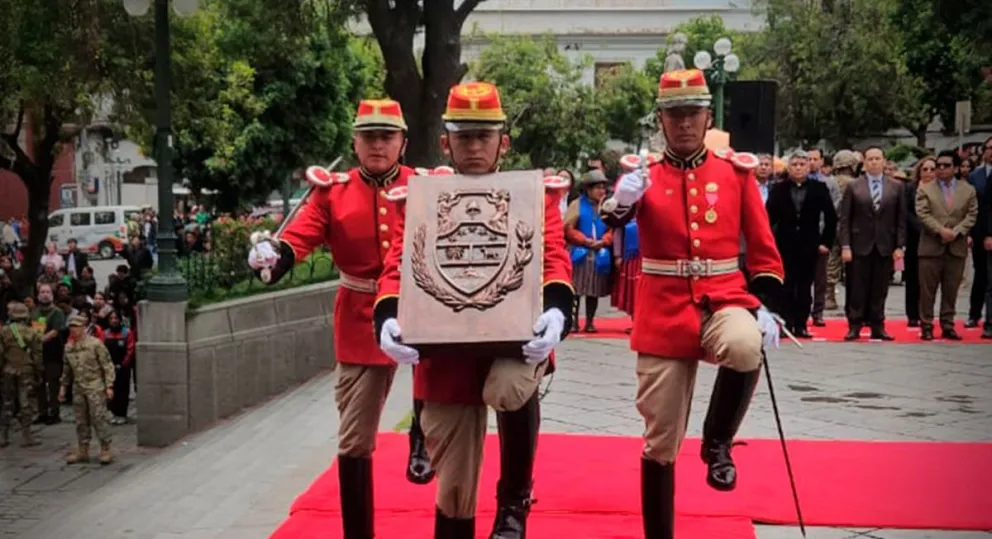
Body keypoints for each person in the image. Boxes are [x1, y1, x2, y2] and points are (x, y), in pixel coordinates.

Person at [373, 81, 574, 538]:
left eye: (485, 135)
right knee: (454, 493)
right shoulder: (421, 197)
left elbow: (554, 259)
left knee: (510, 388)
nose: (475, 145)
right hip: (445, 358)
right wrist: (386, 318)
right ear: (446, 142)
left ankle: (514, 500)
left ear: (504, 141)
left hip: (512, 345)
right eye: (464, 136)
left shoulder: (533, 194)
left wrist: (559, 309)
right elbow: (396, 267)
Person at [600, 68, 784, 539]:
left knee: (746, 345)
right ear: (661, 121)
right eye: (674, 115)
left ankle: (718, 442)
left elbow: (762, 249)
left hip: (723, 295)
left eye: (692, 114)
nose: (683, 123)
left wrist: (763, 303)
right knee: (660, 439)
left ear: (708, 118)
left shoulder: (734, 173)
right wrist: (621, 202)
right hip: (663, 306)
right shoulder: (644, 176)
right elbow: (613, 221)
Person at [247, 99, 433, 538]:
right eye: (368, 136)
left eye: (387, 136)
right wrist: (276, 253)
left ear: (403, 142)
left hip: (423, 305)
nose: (377, 145)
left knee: (442, 385)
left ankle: (423, 431)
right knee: (354, 437)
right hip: (360, 314)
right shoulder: (333, 191)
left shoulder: (426, 185)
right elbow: (302, 233)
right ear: (354, 141)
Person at [765, 151, 837, 337]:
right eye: (794, 164)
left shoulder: (818, 188)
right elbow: (767, 218)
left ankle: (801, 324)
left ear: (808, 167)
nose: (798, 168)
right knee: (786, 285)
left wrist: (825, 242)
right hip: (784, 244)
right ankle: (787, 322)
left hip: (809, 244)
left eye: (801, 164)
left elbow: (831, 217)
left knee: (805, 286)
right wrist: (769, 242)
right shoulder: (778, 189)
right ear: (788, 168)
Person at [838, 146, 906, 340]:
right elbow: (845, 219)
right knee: (857, 287)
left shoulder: (896, 186)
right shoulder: (854, 186)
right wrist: (845, 245)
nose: (874, 162)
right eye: (870, 159)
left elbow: (900, 219)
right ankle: (855, 324)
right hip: (859, 244)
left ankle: (878, 324)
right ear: (864, 163)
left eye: (878, 159)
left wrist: (899, 246)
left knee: (880, 288)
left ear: (884, 162)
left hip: (885, 244)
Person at [915, 151, 978, 340]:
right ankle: (926, 325)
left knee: (951, 290)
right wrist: (940, 230)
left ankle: (948, 324)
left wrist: (957, 231)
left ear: (956, 168)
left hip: (956, 246)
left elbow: (972, 215)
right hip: (931, 247)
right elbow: (922, 213)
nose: (941, 169)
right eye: (938, 166)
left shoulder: (968, 190)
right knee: (927, 291)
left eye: (946, 165)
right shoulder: (925, 189)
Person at [60, 315, 115, 465]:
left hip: (95, 386)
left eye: (77, 326)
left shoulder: (95, 344)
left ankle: (105, 448)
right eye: (71, 327)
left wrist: (109, 386)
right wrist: (63, 388)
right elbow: (66, 370)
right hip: (78, 387)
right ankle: (83, 449)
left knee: (99, 418)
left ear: (84, 327)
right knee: (80, 420)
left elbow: (107, 365)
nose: (73, 329)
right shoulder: (69, 348)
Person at [564, 170, 614, 333]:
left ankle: (590, 321)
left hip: (599, 253)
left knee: (594, 290)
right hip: (580, 252)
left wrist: (604, 241)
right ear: (588, 189)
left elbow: (613, 229)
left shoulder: (607, 206)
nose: (601, 191)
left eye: (603, 188)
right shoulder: (577, 204)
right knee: (576, 289)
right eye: (598, 188)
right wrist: (584, 240)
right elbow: (568, 228)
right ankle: (573, 321)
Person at [0, 302, 43, 447]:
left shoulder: (4, 331)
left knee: (7, 403)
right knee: (26, 402)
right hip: (26, 370)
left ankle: (4, 435)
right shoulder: (31, 332)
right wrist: (39, 371)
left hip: (8, 369)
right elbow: (37, 355)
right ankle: (27, 435)